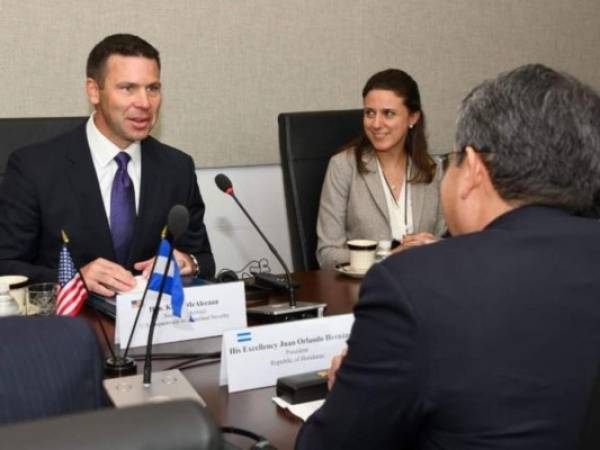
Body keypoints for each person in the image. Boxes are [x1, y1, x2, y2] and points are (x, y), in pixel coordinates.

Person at [296, 64, 600, 449]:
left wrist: (355, 387)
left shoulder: (415, 287)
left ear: (472, 168)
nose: (376, 122)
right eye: (369, 112)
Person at [0, 34, 214, 296]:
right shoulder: (34, 167)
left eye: (153, 88)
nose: (145, 103)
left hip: (154, 330)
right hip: (70, 328)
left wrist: (186, 263)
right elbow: (5, 266)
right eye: (128, 88)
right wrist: (74, 278)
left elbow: (203, 258)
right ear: (94, 91)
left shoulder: (177, 167)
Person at [316, 69, 445, 269]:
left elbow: (451, 243)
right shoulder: (343, 166)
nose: (376, 124)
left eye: (388, 114)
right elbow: (327, 254)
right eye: (370, 113)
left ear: (413, 118)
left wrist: (434, 247)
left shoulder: (433, 170)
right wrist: (387, 257)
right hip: (367, 289)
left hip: (424, 284)